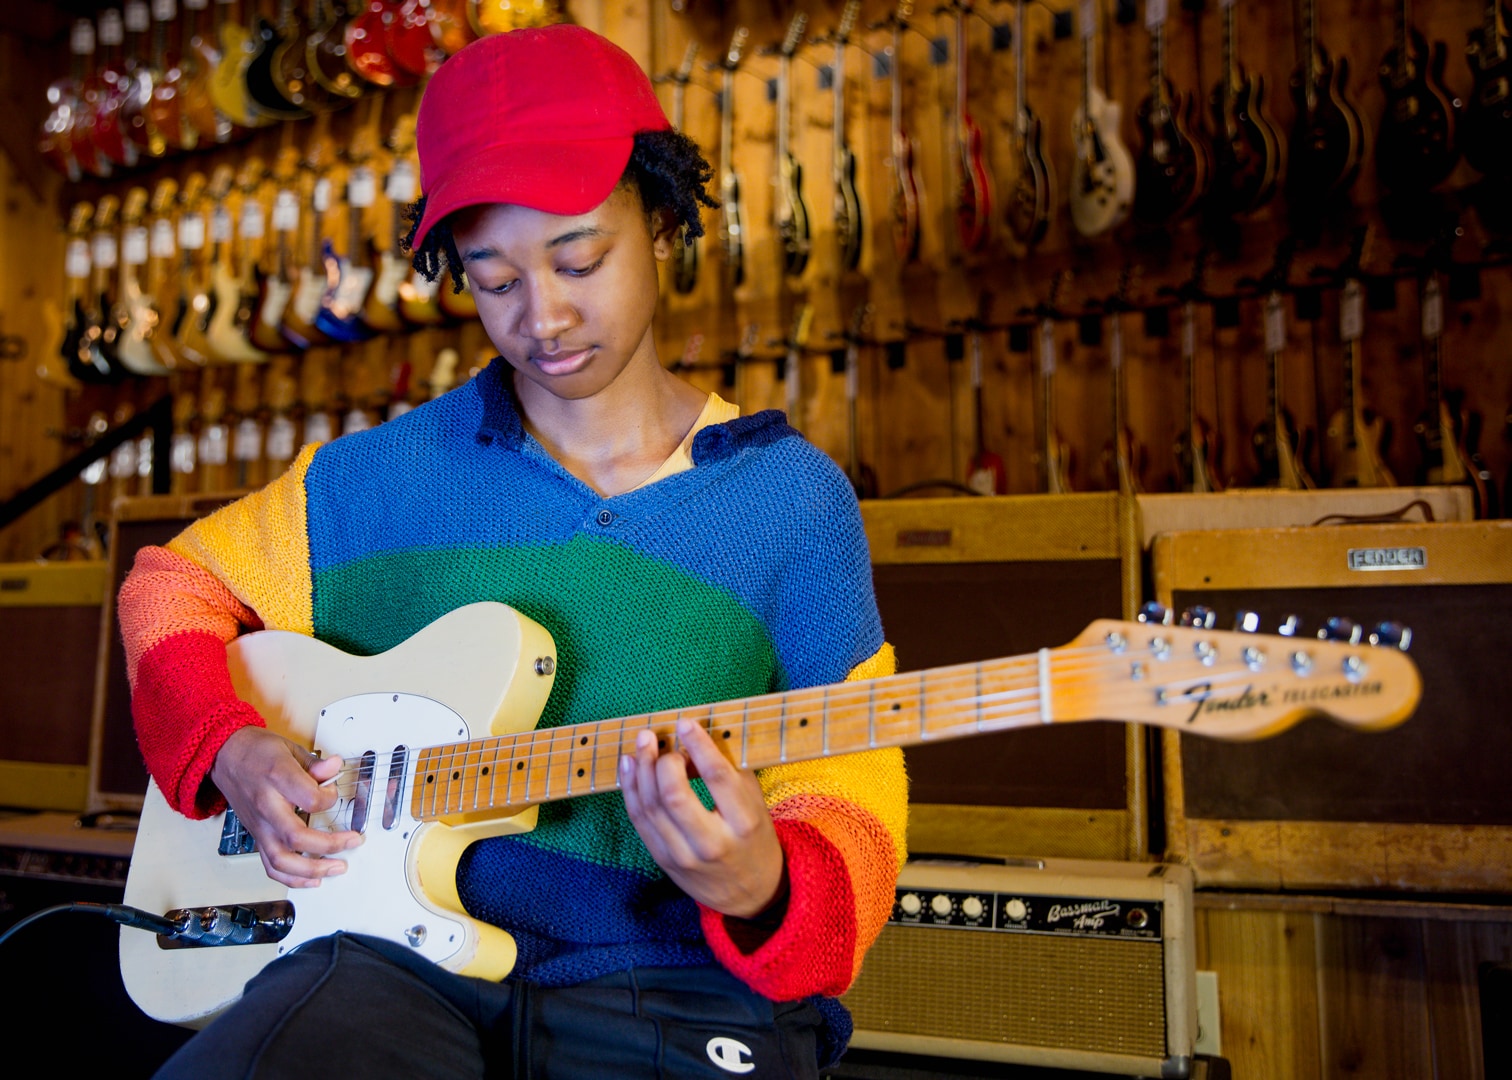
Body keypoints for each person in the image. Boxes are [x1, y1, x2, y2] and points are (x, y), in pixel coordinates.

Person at [118, 23, 907, 1080]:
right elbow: (170, 590)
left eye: (580, 258)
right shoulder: (372, 479)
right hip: (385, 970)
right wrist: (231, 749)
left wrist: (761, 880)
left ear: (664, 221)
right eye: (494, 280)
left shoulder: (791, 502)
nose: (545, 315)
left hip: (666, 988)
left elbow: (854, 803)